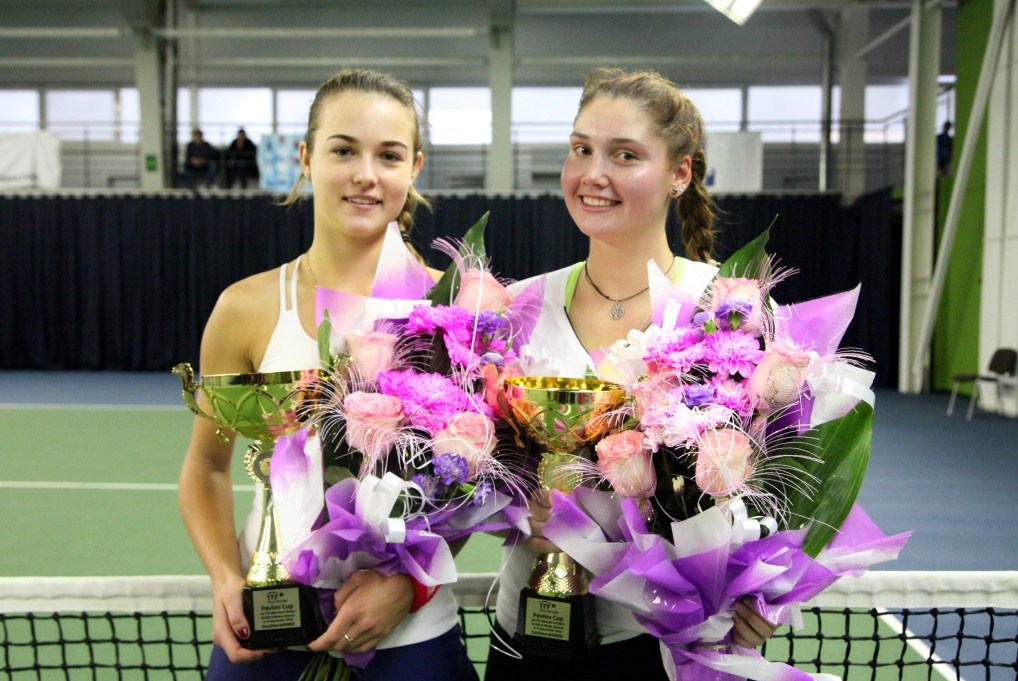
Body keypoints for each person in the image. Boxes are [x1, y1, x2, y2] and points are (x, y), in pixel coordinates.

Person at [177, 68, 477, 681]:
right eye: (343, 150)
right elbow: (206, 467)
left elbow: (471, 485)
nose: (366, 174)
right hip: (267, 627)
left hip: (409, 635)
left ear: (414, 168)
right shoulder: (245, 307)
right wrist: (227, 579)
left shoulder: (459, 310)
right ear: (306, 158)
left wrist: (410, 585)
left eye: (388, 155)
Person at [484, 67, 776, 681]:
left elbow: (789, 474)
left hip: (666, 641)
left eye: (625, 155)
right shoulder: (516, 307)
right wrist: (515, 513)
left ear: (680, 173)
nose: (593, 174)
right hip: (528, 632)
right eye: (581, 149)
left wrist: (765, 590)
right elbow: (472, 466)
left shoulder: (729, 309)